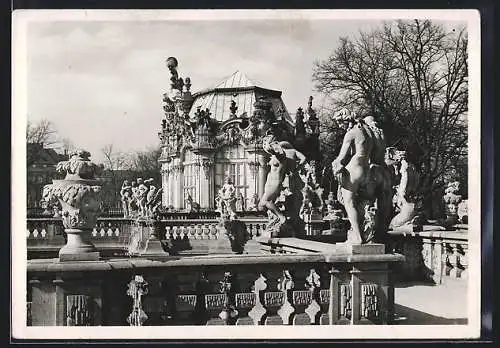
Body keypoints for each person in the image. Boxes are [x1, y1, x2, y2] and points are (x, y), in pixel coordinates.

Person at [331, 112, 387, 244]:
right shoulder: (369, 132)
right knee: (362, 203)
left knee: (349, 203)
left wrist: (335, 165)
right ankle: (367, 233)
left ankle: (357, 236)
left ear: (347, 120)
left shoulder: (351, 133)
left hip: (354, 170)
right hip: (367, 171)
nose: (340, 126)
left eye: (340, 122)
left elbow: (341, 157)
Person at [258, 135, 306, 225]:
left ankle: (281, 217)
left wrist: (268, 143)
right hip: (270, 183)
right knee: (261, 205)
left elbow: (271, 150)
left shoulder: (281, 156)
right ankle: (278, 217)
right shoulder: (277, 156)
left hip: (275, 183)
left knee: (265, 202)